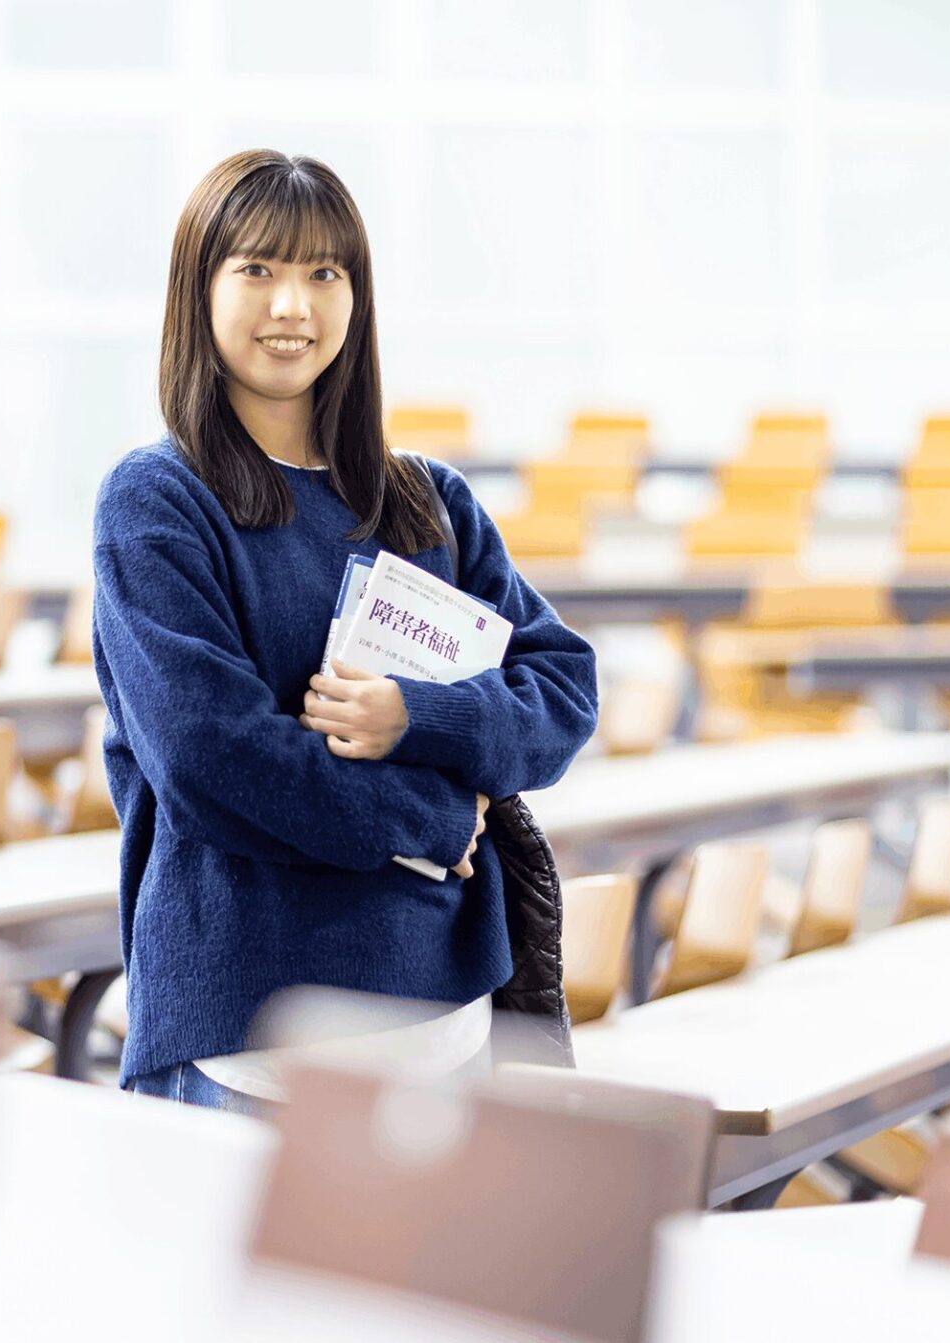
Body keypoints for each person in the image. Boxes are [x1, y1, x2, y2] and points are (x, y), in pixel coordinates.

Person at [91, 149, 597, 1113]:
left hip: (450, 1028)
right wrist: (436, 818)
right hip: (257, 1043)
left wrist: (416, 717)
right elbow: (210, 759)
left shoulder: (425, 500)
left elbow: (563, 686)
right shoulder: (159, 502)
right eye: (258, 270)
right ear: (197, 290)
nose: (294, 305)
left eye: (326, 273)